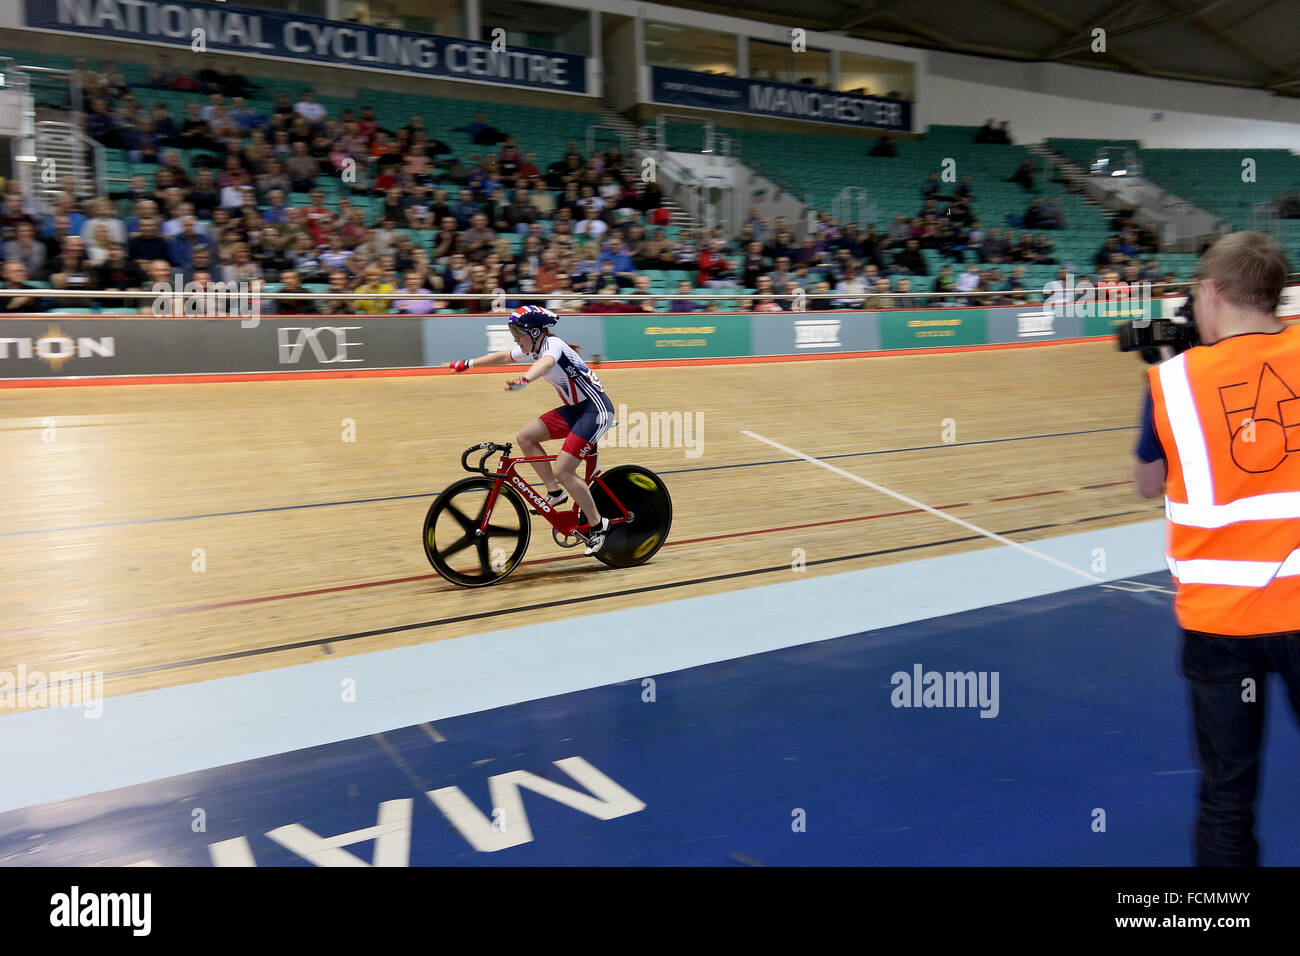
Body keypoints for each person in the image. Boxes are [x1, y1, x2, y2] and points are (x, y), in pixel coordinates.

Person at [1133, 230, 1300, 867]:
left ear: (1211, 292)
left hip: (1220, 624)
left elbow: (1148, 484)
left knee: (1227, 795)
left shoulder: (1173, 383)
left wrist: (1162, 381)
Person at [446, 305, 615, 556]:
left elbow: (546, 364)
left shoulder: (552, 346)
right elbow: (504, 356)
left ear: (535, 333)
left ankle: (598, 526)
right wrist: (468, 363)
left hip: (595, 410)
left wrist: (525, 380)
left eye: (518, 335)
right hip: (576, 410)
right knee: (525, 437)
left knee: (563, 470)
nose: (515, 340)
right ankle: (555, 493)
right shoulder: (535, 347)